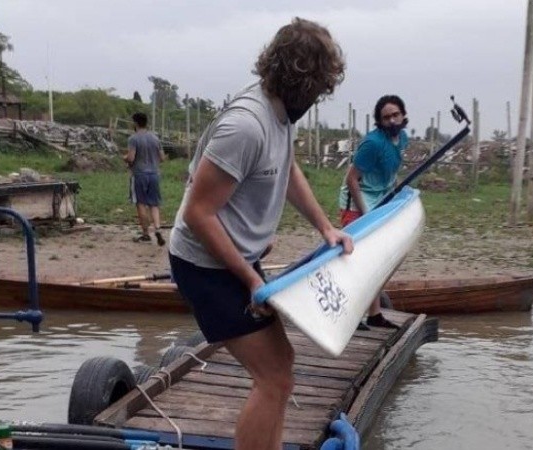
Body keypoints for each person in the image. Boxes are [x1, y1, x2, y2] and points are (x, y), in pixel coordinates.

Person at [168, 18, 352, 450]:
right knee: (273, 377)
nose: (318, 97)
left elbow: (286, 168)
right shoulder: (245, 125)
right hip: (204, 265)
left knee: (280, 371)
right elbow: (197, 212)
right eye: (319, 88)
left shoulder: (280, 114)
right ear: (299, 82)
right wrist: (251, 280)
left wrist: (325, 228)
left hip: (235, 259)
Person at [338, 95, 409, 330]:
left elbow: (390, 173)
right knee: (357, 261)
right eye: (386, 117)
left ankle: (375, 314)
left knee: (377, 259)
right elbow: (351, 179)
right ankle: (349, 316)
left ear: (403, 115)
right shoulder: (373, 144)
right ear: (379, 121)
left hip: (379, 202)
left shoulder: (403, 139)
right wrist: (365, 212)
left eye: (395, 115)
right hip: (357, 203)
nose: (392, 120)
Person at [124, 112, 167, 246]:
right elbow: (162, 158)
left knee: (141, 203)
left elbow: (131, 158)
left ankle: (145, 233)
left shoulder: (133, 139)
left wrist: (124, 158)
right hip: (154, 174)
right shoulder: (155, 138)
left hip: (139, 174)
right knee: (154, 204)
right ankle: (158, 228)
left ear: (135, 123)